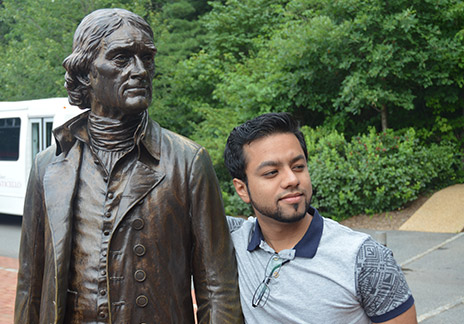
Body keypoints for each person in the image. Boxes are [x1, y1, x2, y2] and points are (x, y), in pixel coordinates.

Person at [14, 8, 242, 324]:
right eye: (121, 59)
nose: (139, 71)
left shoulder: (188, 162)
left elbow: (218, 288)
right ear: (85, 72)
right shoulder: (48, 165)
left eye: (146, 59)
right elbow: (29, 282)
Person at [223, 112, 417, 323]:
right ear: (242, 189)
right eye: (271, 172)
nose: (291, 179)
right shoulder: (230, 237)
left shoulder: (366, 259)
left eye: (298, 167)